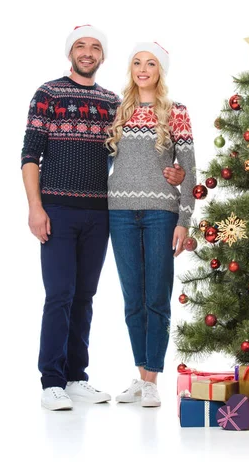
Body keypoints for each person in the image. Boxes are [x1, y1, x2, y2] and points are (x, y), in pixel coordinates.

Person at [21, 27, 185, 411]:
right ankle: (52, 382)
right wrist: (35, 206)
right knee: (59, 294)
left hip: (101, 211)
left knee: (85, 296)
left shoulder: (114, 104)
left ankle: (77, 376)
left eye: (96, 47)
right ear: (70, 53)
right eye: (81, 46)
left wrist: (172, 171)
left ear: (104, 57)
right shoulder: (48, 94)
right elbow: (30, 155)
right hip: (57, 209)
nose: (88, 52)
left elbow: (132, 156)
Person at [106, 42, 196, 407]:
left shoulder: (176, 112)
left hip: (162, 213)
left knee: (156, 297)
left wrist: (185, 220)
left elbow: (188, 170)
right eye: (137, 63)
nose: (143, 69)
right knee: (132, 299)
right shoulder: (116, 111)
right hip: (119, 212)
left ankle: (152, 380)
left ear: (161, 70)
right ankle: (140, 374)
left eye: (151, 63)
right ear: (130, 69)